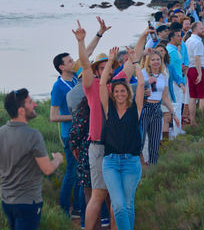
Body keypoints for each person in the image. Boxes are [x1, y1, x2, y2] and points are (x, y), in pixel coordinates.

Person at [51, 17, 111, 219]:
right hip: (71, 134)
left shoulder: (75, 79)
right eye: (69, 61)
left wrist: (99, 33)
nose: (72, 62)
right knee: (74, 173)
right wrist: (79, 116)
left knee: (83, 174)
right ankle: (66, 209)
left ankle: (79, 209)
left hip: (85, 130)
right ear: (61, 67)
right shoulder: (59, 87)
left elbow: (87, 56)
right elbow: (53, 116)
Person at [0, 88, 63, 230]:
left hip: (7, 202)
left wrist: (10, 171)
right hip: (28, 202)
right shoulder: (33, 136)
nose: (35, 105)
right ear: (21, 110)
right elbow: (47, 169)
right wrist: (58, 159)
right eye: (30, 102)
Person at [73, 18, 114, 230]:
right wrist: (82, 41)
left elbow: (133, 69)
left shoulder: (116, 88)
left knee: (112, 197)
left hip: (115, 147)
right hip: (97, 145)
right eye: (103, 67)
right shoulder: (92, 86)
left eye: (110, 67)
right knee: (95, 194)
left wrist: (142, 43)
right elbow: (84, 63)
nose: (107, 70)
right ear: (97, 70)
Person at [99, 46, 144, 230]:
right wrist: (110, 61)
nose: (119, 94)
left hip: (130, 162)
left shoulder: (135, 110)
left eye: (122, 91)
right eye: (116, 92)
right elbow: (102, 85)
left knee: (128, 205)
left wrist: (135, 62)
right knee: (118, 205)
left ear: (128, 93)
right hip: (110, 162)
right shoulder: (108, 109)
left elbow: (141, 83)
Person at [140, 49, 179, 164]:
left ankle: (153, 168)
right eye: (153, 60)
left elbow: (165, 97)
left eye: (158, 59)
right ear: (148, 61)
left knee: (155, 142)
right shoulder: (143, 73)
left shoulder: (164, 75)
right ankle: (139, 169)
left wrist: (173, 113)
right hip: (145, 108)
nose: (156, 62)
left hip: (157, 109)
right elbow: (135, 91)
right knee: (140, 141)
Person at [185, 22, 204, 125]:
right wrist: (200, 74)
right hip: (198, 70)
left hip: (191, 70)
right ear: (195, 30)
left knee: (193, 96)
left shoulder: (188, 41)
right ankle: (203, 121)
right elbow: (197, 58)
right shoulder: (197, 42)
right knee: (203, 97)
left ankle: (192, 121)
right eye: (201, 28)